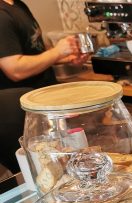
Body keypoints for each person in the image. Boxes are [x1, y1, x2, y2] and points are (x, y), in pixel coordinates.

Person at [0, 0, 87, 173]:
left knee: (65, 165)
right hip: (24, 115)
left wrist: (65, 56)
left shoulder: (17, 5)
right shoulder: (1, 15)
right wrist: (57, 52)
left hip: (44, 105)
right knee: (45, 171)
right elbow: (14, 69)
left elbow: (34, 50)